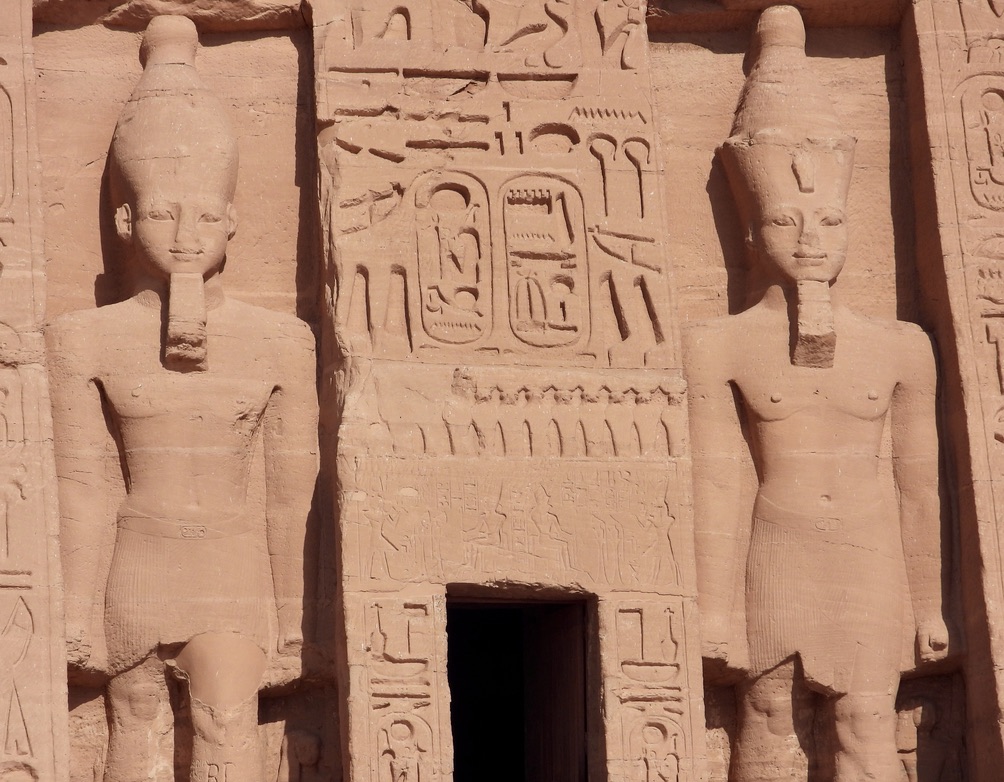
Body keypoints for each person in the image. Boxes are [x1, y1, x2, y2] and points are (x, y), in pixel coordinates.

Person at [46, 16, 317, 782]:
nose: (187, 234)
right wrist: (73, 611)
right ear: (126, 219)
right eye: (164, 212)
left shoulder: (280, 340)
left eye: (205, 214)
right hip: (137, 560)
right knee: (133, 727)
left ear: (232, 220)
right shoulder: (84, 339)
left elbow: (290, 495)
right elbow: (82, 485)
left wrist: (296, 621)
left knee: (226, 721)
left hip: (231, 562)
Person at [683, 7, 949, 780]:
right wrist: (716, 608)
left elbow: (919, 486)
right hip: (776, 551)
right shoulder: (720, 344)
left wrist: (929, 604)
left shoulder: (902, 345)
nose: (811, 241)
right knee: (767, 721)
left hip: (870, 558)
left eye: (830, 221)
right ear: (750, 233)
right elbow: (717, 483)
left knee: (867, 726)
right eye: (786, 220)